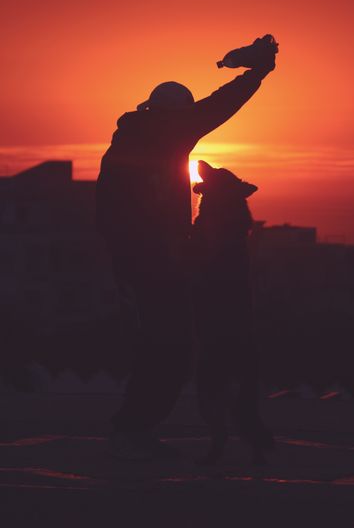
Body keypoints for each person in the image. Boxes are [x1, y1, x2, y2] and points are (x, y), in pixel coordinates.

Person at [96, 38, 277, 459]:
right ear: (173, 116)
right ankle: (132, 428)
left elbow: (107, 214)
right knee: (169, 345)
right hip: (153, 264)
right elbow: (218, 106)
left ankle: (133, 426)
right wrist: (256, 75)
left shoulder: (125, 145)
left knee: (161, 343)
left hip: (142, 263)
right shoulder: (168, 135)